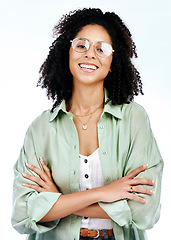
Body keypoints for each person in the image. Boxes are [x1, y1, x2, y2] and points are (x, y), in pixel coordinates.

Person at [11, 8, 163, 240]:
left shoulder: (134, 119)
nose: (90, 54)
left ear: (113, 62)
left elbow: (144, 212)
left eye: (101, 49)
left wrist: (57, 201)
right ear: (67, 53)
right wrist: (105, 193)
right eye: (81, 45)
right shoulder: (41, 128)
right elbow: (23, 215)